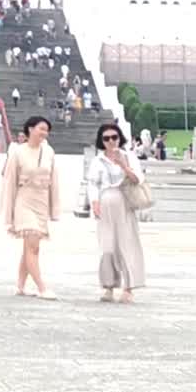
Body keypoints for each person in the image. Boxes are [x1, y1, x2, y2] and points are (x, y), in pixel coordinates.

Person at [86, 120, 147, 302]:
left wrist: (123, 165)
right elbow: (92, 184)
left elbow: (138, 179)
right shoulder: (98, 160)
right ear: (101, 141)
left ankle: (128, 287)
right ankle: (108, 285)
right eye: (107, 138)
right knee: (107, 246)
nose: (111, 141)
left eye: (114, 137)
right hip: (105, 204)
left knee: (127, 244)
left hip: (124, 204)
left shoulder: (129, 157)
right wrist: (94, 202)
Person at [0, 115, 58, 298]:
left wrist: (53, 207)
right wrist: (8, 210)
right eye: (41, 128)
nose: (44, 133)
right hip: (24, 200)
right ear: (30, 129)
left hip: (41, 200)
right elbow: (10, 181)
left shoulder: (49, 152)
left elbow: (54, 181)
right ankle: (42, 288)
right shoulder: (17, 152)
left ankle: (21, 286)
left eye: (46, 130)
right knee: (33, 245)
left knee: (30, 246)